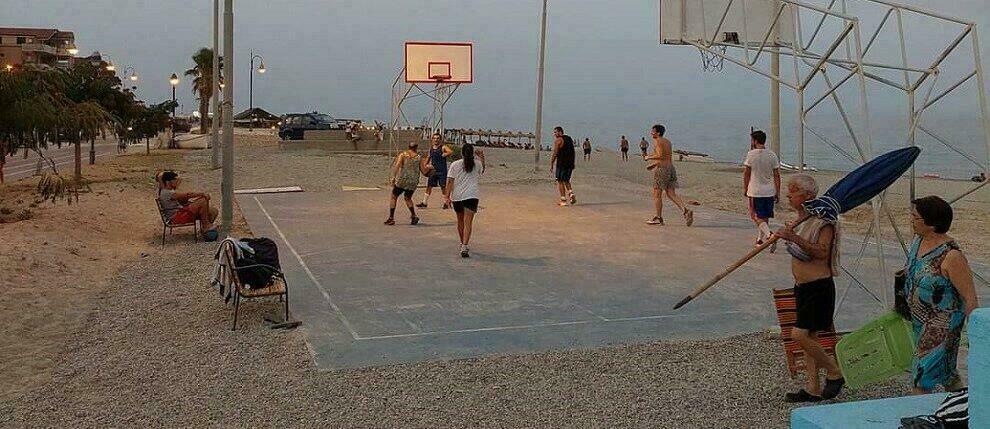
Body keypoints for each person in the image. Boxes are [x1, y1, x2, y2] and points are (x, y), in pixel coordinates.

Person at [773, 174, 844, 403]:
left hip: (819, 287)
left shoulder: (824, 222)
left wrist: (793, 237)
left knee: (799, 334)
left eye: (793, 192)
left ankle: (835, 372)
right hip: (802, 287)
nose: (788, 195)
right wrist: (784, 236)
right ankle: (812, 388)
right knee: (809, 337)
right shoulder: (800, 221)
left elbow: (822, 252)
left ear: (808, 196)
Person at [904, 196, 979, 395]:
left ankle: (918, 417)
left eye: (916, 218)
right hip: (919, 321)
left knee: (920, 375)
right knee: (947, 373)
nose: (912, 221)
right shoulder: (918, 242)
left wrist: (975, 332)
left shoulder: (951, 256)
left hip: (942, 325)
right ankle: (962, 406)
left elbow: (970, 297)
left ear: (932, 223)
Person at [645, 124, 693, 226]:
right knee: (671, 193)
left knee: (657, 194)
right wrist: (654, 165)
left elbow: (660, 155)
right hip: (670, 168)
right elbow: (666, 157)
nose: (651, 133)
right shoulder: (667, 142)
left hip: (662, 170)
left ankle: (658, 218)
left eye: (653, 131)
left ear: (657, 133)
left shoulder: (658, 141)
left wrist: (648, 157)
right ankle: (685, 210)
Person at [443, 143, 486, 258]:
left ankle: (462, 242)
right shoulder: (476, 164)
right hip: (472, 196)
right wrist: (481, 157)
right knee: (468, 223)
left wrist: (446, 197)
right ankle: (464, 246)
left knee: (460, 221)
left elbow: (450, 181)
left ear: (461, 153)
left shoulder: (455, 164)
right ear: (472, 153)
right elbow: (482, 170)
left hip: (457, 196)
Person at [743, 130, 781, 250]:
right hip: (769, 190)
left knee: (756, 216)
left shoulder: (751, 155)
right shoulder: (772, 155)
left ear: (755, 141)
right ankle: (760, 240)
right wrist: (778, 191)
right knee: (764, 216)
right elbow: (777, 175)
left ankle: (770, 235)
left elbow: (747, 173)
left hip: (755, 191)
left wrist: (745, 187)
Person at [157, 171, 219, 240]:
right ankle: (206, 226)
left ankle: (204, 229)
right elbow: (188, 195)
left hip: (181, 213)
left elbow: (161, 176)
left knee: (213, 211)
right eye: (175, 180)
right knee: (202, 201)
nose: (177, 182)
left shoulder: (168, 190)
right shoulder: (167, 193)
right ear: (168, 182)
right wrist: (202, 194)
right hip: (176, 217)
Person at [384, 142, 421, 226]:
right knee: (408, 198)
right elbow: (423, 169)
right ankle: (414, 215)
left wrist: (393, 177)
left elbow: (397, 166)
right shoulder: (419, 157)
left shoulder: (403, 154)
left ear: (408, 147)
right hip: (413, 181)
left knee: (394, 196)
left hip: (403, 180)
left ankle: (391, 218)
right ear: (416, 148)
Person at [417, 133, 453, 210]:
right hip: (433, 171)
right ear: (432, 139)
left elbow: (450, 151)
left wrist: (445, 154)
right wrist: (425, 164)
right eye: (434, 138)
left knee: (443, 187)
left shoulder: (443, 147)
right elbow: (428, 157)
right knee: (429, 186)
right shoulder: (431, 148)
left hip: (442, 171)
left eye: (437, 138)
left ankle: (446, 203)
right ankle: (424, 202)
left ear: (440, 139)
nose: (436, 140)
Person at [550, 126, 577, 206]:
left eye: (555, 132)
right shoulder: (569, 139)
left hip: (562, 164)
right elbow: (573, 152)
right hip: (570, 164)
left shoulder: (558, 140)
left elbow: (555, 153)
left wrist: (551, 163)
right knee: (566, 180)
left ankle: (563, 200)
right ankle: (571, 194)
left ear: (560, 132)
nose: (554, 134)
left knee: (560, 181)